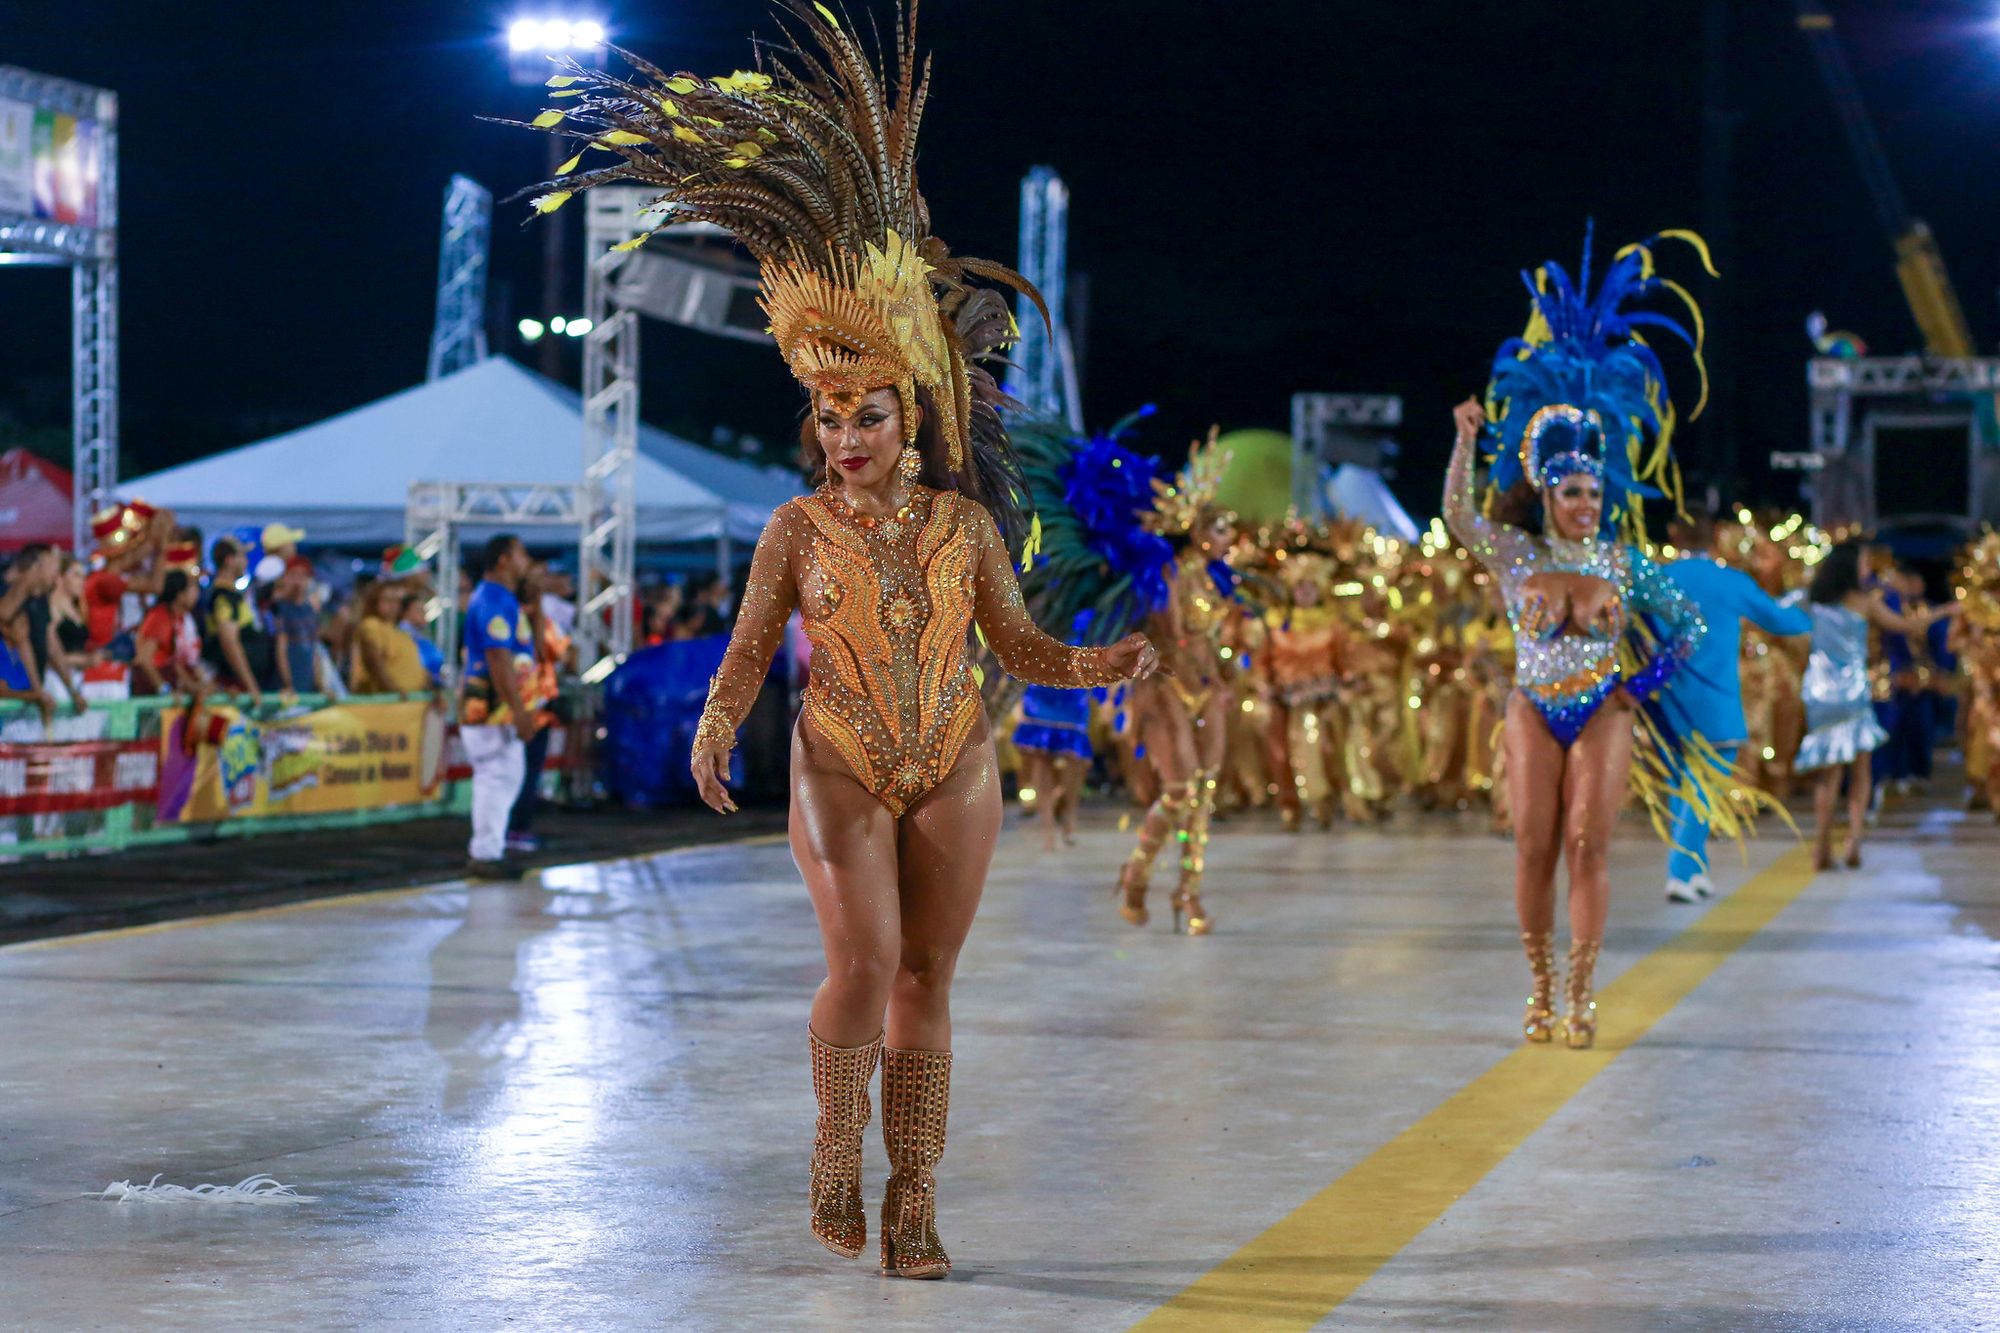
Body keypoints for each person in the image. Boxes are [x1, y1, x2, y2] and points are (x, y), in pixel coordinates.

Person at [522, 8, 1158, 1279]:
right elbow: (752, 648)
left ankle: (912, 1197)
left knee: (927, 974)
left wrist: (1098, 666)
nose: (845, 435)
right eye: (827, 416)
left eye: (865, 414)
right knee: (862, 964)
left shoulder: (967, 522)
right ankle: (832, 1154)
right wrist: (711, 725)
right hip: (836, 755)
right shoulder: (792, 527)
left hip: (955, 757)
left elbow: (1019, 646)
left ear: (905, 413)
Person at [1445, 228, 1732, 1051]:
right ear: (1544, 490)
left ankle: (1582, 991)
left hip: (1603, 709)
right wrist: (1466, 440)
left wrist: (1637, 689)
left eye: (1595, 490)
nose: (1586, 502)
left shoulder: (1620, 557)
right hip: (1533, 706)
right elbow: (1461, 518)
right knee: (1535, 843)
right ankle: (1537, 989)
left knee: (1587, 841)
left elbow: (1691, 621)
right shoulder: (1517, 552)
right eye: (1572, 491)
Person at [1657, 510, 1811, 902]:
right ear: (1716, 537)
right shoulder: (1729, 581)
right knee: (1705, 785)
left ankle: (1695, 870)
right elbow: (1783, 622)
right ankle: (1680, 871)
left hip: (1668, 699)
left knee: (1682, 785)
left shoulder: (1660, 579)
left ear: (1674, 534)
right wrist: (1812, 604)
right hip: (1715, 702)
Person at [1796, 541, 1952, 870]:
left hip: (1820, 693)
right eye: (1865, 563)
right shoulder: (1864, 603)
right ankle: (1853, 839)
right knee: (1861, 771)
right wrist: (1944, 611)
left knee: (1828, 774)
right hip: (1853, 692)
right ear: (1852, 567)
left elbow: (1779, 621)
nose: (1869, 568)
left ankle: (1821, 846)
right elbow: (1909, 626)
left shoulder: (1811, 602)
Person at [460, 534, 539, 876]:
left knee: (505, 776)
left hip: (497, 706)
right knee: (496, 775)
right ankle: (486, 854)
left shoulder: (499, 598)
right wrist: (518, 709)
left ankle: (490, 848)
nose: (527, 561)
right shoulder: (493, 601)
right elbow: (498, 657)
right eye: (521, 553)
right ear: (504, 559)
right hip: (492, 707)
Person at [202, 536, 270, 706]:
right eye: (242, 556)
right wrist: (251, 685)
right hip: (234, 687)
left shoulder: (231, 596)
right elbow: (230, 643)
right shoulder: (224, 598)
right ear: (229, 560)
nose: (246, 561)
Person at [351, 578, 429, 695]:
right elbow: (374, 665)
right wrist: (394, 692)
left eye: (397, 601)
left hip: (410, 700)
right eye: (388, 600)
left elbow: (416, 667)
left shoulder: (401, 632)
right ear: (375, 602)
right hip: (388, 701)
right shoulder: (371, 625)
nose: (393, 606)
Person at [133, 570, 206, 697]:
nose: (197, 593)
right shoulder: (160, 617)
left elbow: (181, 662)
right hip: (152, 692)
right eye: (193, 588)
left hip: (174, 685)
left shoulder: (183, 619)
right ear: (180, 594)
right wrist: (164, 690)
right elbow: (144, 660)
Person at [269, 557, 323, 697]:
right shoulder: (280, 609)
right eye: (293, 575)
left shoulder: (310, 610)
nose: (298, 581)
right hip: (286, 687)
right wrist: (288, 683)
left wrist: (319, 684)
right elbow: (281, 649)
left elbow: (314, 649)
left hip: (308, 684)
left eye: (303, 576)